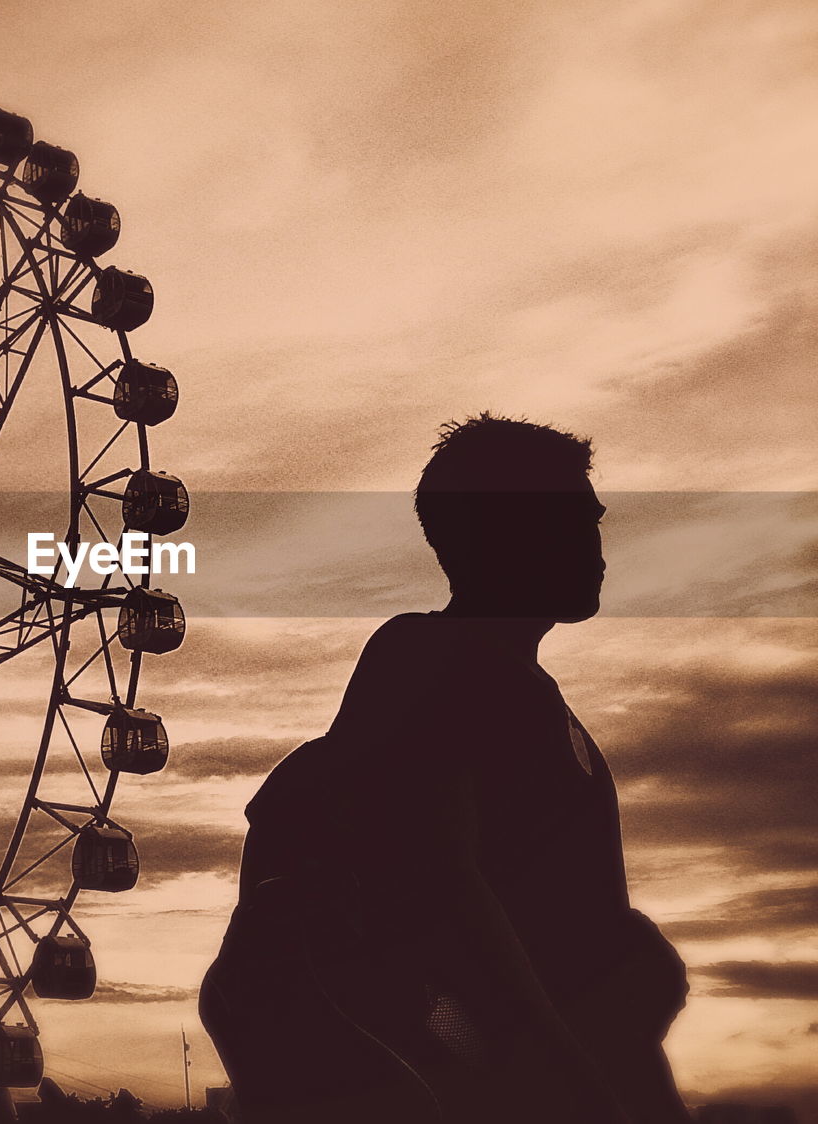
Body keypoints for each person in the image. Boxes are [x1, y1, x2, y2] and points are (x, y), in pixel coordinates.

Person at [200, 414, 690, 1124]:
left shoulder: (525, 692)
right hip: (527, 1084)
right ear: (510, 533)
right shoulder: (428, 656)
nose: (597, 541)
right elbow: (449, 885)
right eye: (574, 520)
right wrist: (572, 1079)